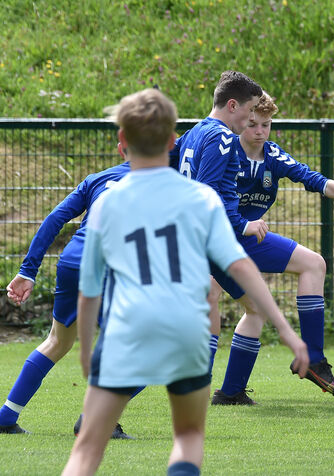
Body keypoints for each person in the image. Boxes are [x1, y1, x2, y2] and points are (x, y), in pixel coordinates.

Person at [61, 88, 309, 476]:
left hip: (129, 327)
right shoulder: (201, 199)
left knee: (87, 448)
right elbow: (242, 267)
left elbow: (90, 290)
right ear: (173, 141)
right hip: (187, 327)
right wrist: (287, 331)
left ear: (122, 141)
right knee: (189, 438)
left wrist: (87, 354)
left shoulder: (109, 201)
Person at [209, 92, 334, 403]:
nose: (259, 131)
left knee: (309, 267)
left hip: (246, 241)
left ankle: (233, 391)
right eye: (252, 124)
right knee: (207, 305)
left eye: (266, 125)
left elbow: (317, 181)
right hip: (216, 241)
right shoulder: (225, 153)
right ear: (241, 119)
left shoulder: (273, 157)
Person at [1, 144, 134, 438]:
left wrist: (27, 271)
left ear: (120, 146)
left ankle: (6, 415)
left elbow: (54, 219)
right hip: (109, 263)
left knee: (58, 342)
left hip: (74, 260)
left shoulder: (98, 178)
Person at [168, 70, 269, 400]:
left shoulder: (193, 133)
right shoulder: (222, 137)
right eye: (250, 109)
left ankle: (229, 392)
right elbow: (207, 194)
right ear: (232, 104)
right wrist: (243, 225)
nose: (252, 117)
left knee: (253, 305)